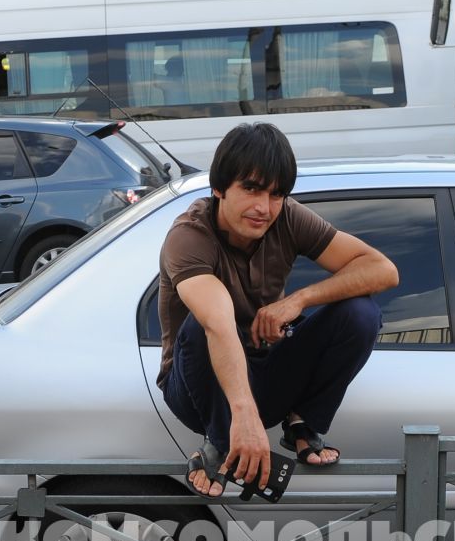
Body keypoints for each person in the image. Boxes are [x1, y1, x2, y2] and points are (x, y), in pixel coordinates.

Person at [156, 122, 398, 498]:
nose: (263, 207)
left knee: (360, 313)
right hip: (194, 386)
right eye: (251, 189)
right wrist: (244, 416)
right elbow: (218, 324)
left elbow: (382, 269)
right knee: (202, 324)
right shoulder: (189, 236)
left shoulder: (286, 217)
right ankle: (220, 443)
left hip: (264, 376)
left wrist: (296, 301)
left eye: (276, 194)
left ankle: (302, 424)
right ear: (219, 188)